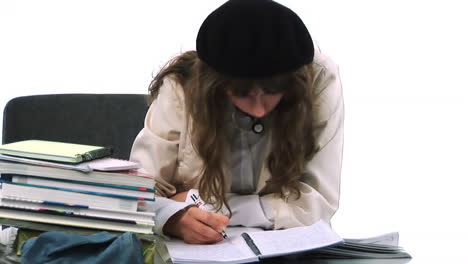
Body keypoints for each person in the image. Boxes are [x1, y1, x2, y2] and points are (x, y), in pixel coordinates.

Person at [130, 0, 344, 244]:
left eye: (273, 91)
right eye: (243, 93)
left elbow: (318, 204)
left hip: (286, 247)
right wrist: (171, 219)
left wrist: (200, 203)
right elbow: (136, 194)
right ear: (216, 85)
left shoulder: (319, 81)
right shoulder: (182, 86)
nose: (260, 109)